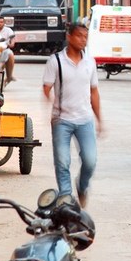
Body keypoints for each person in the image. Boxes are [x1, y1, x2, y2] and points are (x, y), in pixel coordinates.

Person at [42, 23, 102, 207]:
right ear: (69, 37)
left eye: (85, 36)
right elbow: (47, 87)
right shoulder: (56, 61)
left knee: (90, 161)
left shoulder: (90, 62)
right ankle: (66, 198)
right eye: (79, 36)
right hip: (62, 121)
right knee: (62, 161)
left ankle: (82, 186)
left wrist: (100, 119)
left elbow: (94, 92)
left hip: (85, 120)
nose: (83, 40)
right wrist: (52, 102)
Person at [0, 15, 17, 83]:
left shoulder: (8, 30)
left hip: (4, 50)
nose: (0, 23)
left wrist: (11, 43)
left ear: (4, 23)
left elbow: (12, 38)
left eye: (1, 22)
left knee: (10, 53)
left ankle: (10, 76)